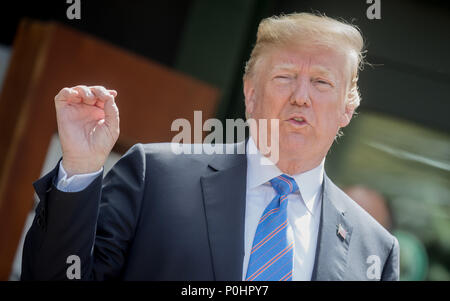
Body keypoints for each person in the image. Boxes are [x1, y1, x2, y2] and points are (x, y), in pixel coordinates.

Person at [21, 12, 399, 281]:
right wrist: (82, 168)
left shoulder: (375, 251)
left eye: (321, 82)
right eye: (285, 77)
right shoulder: (154, 176)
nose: (301, 97)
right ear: (250, 95)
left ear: (347, 109)